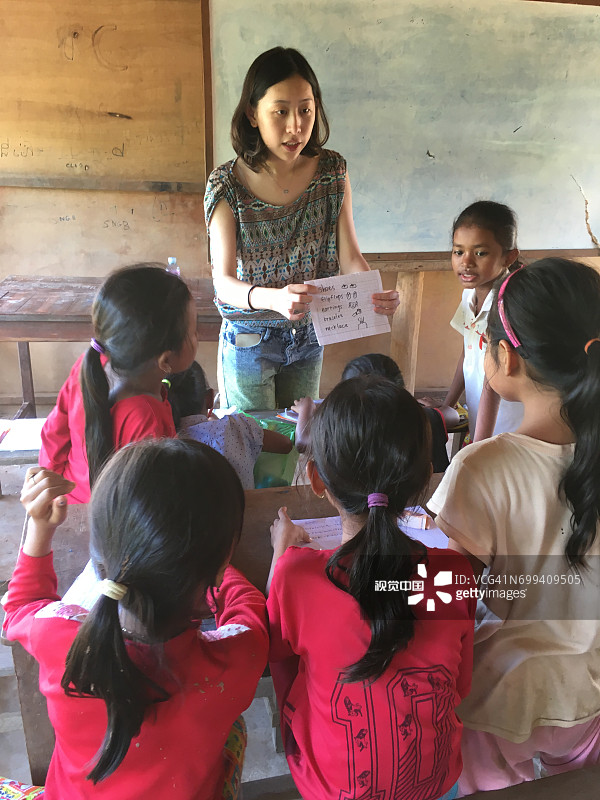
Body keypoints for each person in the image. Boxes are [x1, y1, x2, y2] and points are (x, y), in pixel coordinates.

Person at [2, 438, 269, 799]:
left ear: (103, 554)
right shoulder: (237, 659)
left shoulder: (57, 635)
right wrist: (221, 572)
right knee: (233, 727)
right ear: (217, 567)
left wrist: (40, 528)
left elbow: (17, 609)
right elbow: (250, 611)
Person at [428, 258, 600, 793]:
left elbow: (442, 598)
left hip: (500, 703)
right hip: (594, 699)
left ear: (508, 358)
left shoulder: (483, 467)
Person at [266, 375, 475, 800]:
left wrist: (280, 555)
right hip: (437, 782)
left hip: (333, 788)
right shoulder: (453, 574)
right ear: (422, 480)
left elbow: (274, 650)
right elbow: (461, 685)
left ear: (317, 481)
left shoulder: (296, 577)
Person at [205, 46, 399, 412]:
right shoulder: (226, 185)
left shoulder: (332, 173)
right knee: (255, 448)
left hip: (309, 335)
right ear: (252, 113)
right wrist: (275, 298)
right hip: (249, 340)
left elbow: (350, 256)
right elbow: (223, 283)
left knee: (299, 442)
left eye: (305, 110)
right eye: (280, 111)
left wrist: (372, 292)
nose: (296, 126)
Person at [39, 264, 197, 503]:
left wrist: (53, 492)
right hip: (107, 525)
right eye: (194, 332)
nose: (198, 338)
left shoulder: (88, 364)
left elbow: (54, 433)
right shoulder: (147, 418)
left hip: (69, 504)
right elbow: (148, 506)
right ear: (165, 360)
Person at [293, 353, 459, 471]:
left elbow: (303, 442)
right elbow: (453, 415)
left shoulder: (342, 430)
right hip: (431, 503)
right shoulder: (421, 417)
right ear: (400, 391)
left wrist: (307, 406)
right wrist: (432, 407)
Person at [443, 201, 524, 441]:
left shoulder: (507, 303)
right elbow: (467, 353)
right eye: (459, 251)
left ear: (508, 257)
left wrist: (478, 443)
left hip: (506, 424)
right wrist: (447, 405)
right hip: (481, 419)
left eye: (480, 253)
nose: (466, 262)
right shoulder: (469, 294)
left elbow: (493, 380)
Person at [168, 361, 293, 489]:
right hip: (245, 508)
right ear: (210, 398)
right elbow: (286, 444)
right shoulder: (236, 427)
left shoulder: (164, 447)